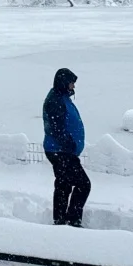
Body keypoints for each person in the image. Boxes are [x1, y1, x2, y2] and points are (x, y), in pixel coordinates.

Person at [42, 67, 90, 227]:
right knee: (83, 184)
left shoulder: (61, 97)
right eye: (71, 83)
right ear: (64, 83)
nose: (73, 87)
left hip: (62, 151)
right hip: (60, 151)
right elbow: (55, 128)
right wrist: (69, 144)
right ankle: (71, 220)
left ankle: (63, 221)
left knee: (64, 184)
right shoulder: (55, 101)